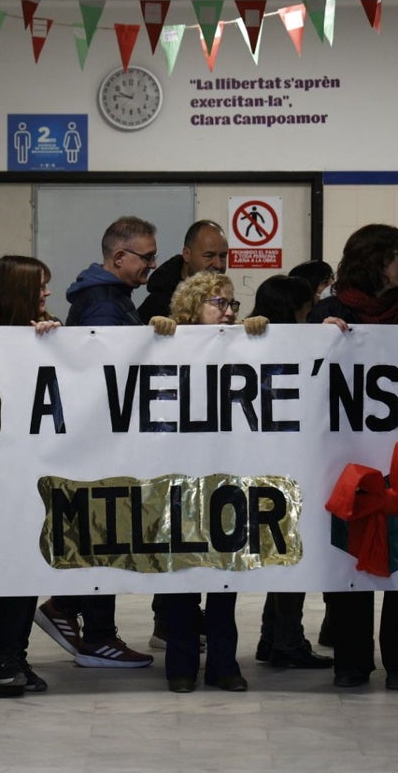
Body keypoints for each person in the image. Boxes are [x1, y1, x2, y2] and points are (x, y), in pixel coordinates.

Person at [308, 224, 398, 690]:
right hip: (348, 462)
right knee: (349, 559)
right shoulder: (328, 312)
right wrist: (314, 338)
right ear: (375, 260)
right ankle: (351, 661)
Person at [33, 216, 156, 669]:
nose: (151, 265)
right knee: (107, 534)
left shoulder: (109, 298)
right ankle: (96, 634)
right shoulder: (106, 306)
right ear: (119, 256)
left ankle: (66, 607)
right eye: (145, 257)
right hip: (105, 443)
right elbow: (113, 378)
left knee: (100, 532)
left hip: (99, 441)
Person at [145, 271, 264, 692]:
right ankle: (180, 665)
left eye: (233, 304)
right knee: (182, 582)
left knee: (224, 579)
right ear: (193, 308)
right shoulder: (169, 339)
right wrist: (160, 336)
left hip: (225, 477)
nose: (229, 312)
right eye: (219, 303)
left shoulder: (240, 342)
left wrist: (257, 337)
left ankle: (223, 663)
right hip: (178, 479)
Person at [0, 254, 61, 693]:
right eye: (40, 286)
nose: (46, 294)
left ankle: (15, 653)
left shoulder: (49, 329)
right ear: (21, 290)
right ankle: (2, 654)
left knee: (28, 566)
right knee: (3, 567)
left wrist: (54, 342)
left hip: (35, 474)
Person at [244, 275, 339, 670]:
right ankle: (286, 640)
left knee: (281, 554)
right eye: (309, 305)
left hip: (259, 465)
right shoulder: (290, 347)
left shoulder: (245, 342)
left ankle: (274, 637)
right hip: (286, 467)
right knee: (291, 555)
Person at [137, 219, 229, 322]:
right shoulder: (157, 305)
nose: (218, 264)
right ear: (187, 254)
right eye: (209, 256)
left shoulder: (226, 299)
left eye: (223, 256)